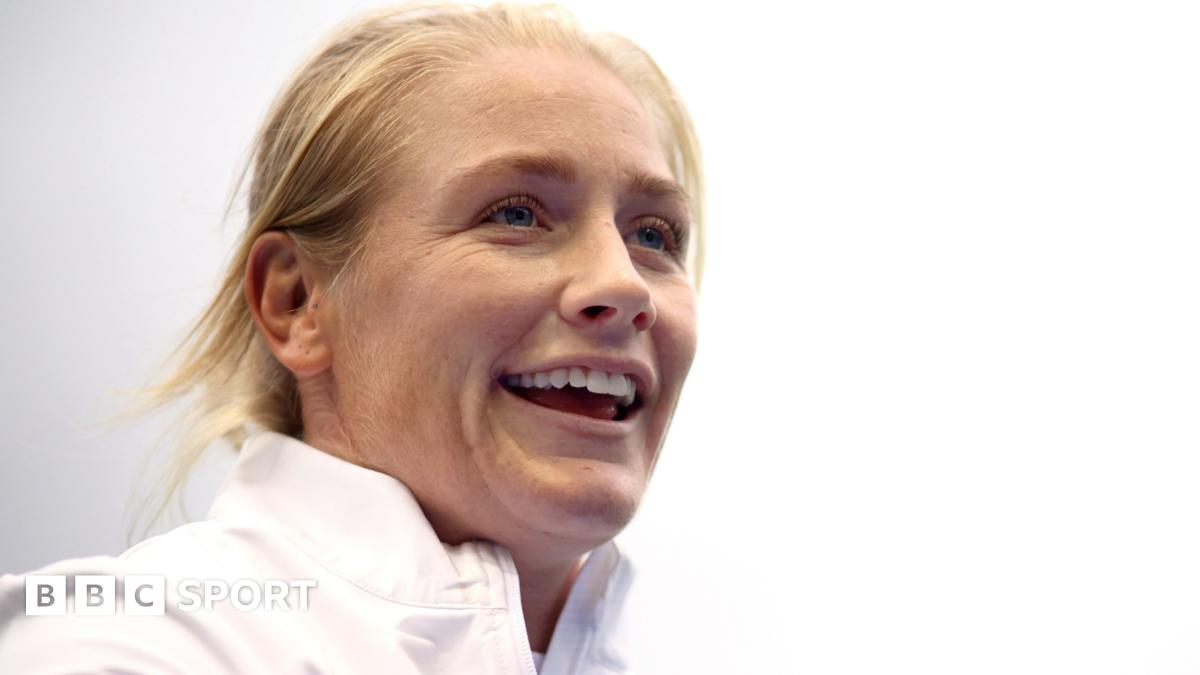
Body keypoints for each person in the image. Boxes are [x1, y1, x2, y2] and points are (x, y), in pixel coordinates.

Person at [0, 2, 704, 672]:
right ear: (297, 304)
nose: (625, 285)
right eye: (516, 214)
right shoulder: (117, 648)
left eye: (653, 235)